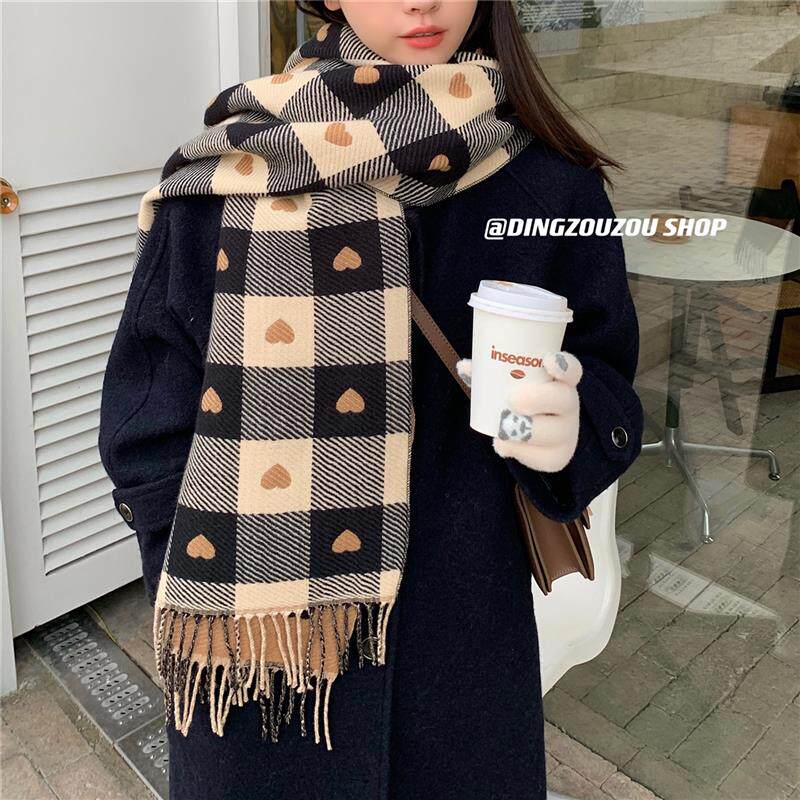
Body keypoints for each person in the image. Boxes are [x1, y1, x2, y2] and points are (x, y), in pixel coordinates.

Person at [98, 2, 643, 798]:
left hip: (464, 658)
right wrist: (191, 565)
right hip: (260, 671)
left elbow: (606, 374)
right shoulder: (226, 179)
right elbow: (146, 417)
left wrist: (570, 433)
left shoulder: (551, 186)